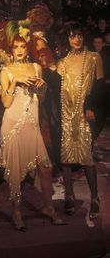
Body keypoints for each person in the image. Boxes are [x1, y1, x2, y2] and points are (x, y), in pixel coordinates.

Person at [0, 20, 65, 231]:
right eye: (15, 47)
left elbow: (41, 100)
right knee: (16, 172)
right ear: (11, 49)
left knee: (46, 168)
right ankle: (17, 213)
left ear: (26, 48)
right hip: (13, 124)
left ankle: (49, 208)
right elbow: (6, 103)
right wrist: (15, 82)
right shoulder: (6, 70)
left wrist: (43, 87)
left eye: (22, 46)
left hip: (32, 124)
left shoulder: (36, 67)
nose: (18, 50)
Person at [56, 23, 104, 219]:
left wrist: (90, 107)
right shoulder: (62, 62)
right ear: (67, 39)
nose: (76, 39)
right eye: (72, 36)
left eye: (79, 36)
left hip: (85, 114)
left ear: (84, 37)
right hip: (66, 114)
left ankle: (94, 198)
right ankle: (69, 195)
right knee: (66, 158)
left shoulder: (94, 57)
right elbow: (54, 88)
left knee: (86, 156)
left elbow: (100, 86)